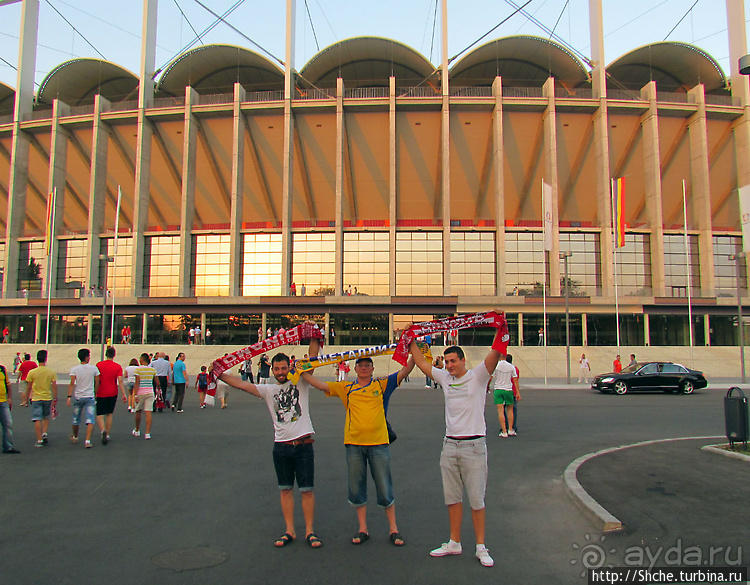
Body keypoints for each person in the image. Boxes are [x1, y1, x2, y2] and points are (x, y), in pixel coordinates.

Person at [408, 326, 506, 568]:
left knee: (476, 499)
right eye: (447, 361)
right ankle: (454, 542)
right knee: (452, 498)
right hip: (450, 446)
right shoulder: (444, 378)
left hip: (474, 446)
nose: (449, 365)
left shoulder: (479, 376)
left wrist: (501, 324)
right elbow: (421, 362)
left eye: (453, 361)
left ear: (463, 360)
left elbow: (495, 352)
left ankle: (481, 546)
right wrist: (410, 338)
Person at [301, 348, 415, 548]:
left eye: (367, 365)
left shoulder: (382, 384)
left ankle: (393, 529)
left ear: (372, 368)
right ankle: (363, 529)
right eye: (360, 366)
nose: (363, 368)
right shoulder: (346, 387)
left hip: (379, 443)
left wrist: (414, 349)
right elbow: (320, 385)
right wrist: (302, 371)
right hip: (354, 444)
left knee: (385, 486)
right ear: (355, 368)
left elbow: (405, 371)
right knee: (356, 487)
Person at [217, 346, 323, 549]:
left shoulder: (301, 382)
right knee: (285, 490)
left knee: (307, 490)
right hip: (281, 447)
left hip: (303, 445)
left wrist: (312, 337)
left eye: (284, 368)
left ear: (289, 367)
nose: (281, 372)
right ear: (272, 370)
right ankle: (289, 530)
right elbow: (240, 384)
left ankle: (310, 531)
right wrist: (219, 373)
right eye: (277, 369)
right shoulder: (268, 390)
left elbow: (313, 358)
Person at [67, 348, 100, 449]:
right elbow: (97, 382)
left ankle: (76, 436)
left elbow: (72, 383)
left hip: (79, 396)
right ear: (86, 357)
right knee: (90, 419)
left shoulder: (74, 369)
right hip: (89, 395)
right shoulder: (94, 368)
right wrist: (96, 393)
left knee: (76, 418)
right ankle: (87, 440)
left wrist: (69, 396)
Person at [26, 349, 58, 448]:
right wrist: (55, 397)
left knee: (37, 418)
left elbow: (29, 387)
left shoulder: (32, 372)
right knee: (45, 416)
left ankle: (39, 439)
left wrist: (27, 398)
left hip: (36, 397)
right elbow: (54, 386)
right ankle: (44, 433)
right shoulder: (51, 372)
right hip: (47, 396)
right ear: (46, 359)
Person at [95, 346, 125, 445]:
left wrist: (95, 391)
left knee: (100, 414)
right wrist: (124, 394)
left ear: (106, 354)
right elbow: (120, 381)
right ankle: (107, 433)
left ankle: (102, 430)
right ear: (114, 355)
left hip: (101, 391)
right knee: (109, 413)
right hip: (112, 391)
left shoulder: (99, 365)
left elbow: (97, 379)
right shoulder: (117, 366)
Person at [491, 354, 518, 438]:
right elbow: (515, 380)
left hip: (498, 389)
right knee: (510, 410)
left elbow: (491, 377)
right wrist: (517, 392)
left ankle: (504, 431)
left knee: (500, 411)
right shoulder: (511, 367)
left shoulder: (496, 365)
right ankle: (510, 429)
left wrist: (487, 386)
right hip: (508, 389)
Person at [133, 353, 156, 439]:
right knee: (148, 412)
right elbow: (157, 382)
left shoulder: (138, 369)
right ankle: (147, 433)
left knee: (138, 410)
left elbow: (137, 382)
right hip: (150, 392)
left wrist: (135, 395)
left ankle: (137, 430)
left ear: (142, 360)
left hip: (140, 392)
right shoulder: (152, 370)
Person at [0, 361, 20, 453]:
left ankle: (8, 446)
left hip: (3, 401)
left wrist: (9, 398)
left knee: (8, 424)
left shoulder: (2, 369)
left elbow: (7, 384)